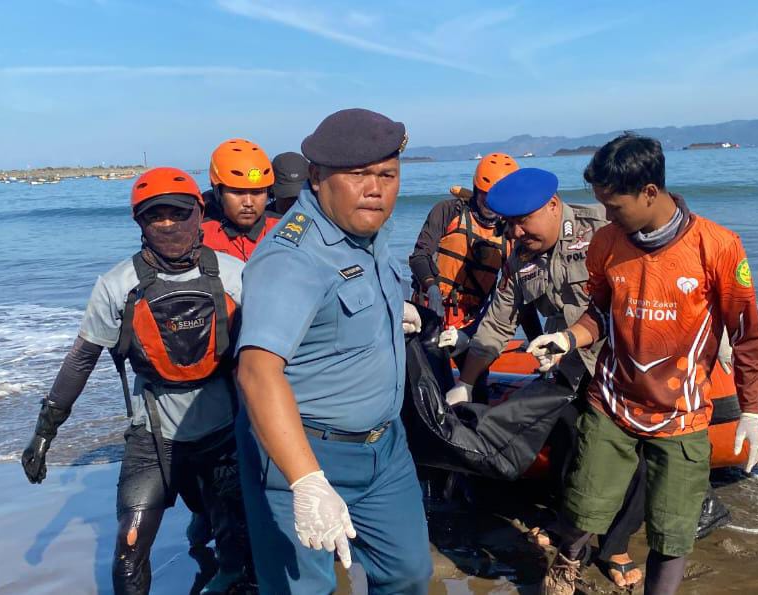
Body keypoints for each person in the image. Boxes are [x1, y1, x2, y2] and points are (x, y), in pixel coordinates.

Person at [529, 133, 758, 595]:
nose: (607, 215)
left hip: (682, 413)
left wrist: (753, 412)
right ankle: (565, 568)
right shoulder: (606, 243)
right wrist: (566, 338)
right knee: (583, 506)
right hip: (612, 403)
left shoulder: (718, 247)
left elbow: (746, 335)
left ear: (650, 193)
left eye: (614, 205)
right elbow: (599, 313)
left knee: (672, 533)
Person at [20, 168, 252, 595]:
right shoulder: (117, 286)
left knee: (239, 549)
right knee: (129, 550)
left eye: (178, 213)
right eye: (154, 215)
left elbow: (270, 357)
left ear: (199, 213)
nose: (167, 224)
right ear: (139, 222)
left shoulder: (236, 275)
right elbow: (81, 360)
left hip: (224, 433)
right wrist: (44, 431)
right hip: (153, 437)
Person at [232, 108, 432, 594]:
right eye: (359, 175)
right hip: (305, 454)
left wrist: (391, 312)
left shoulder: (368, 233)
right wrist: (307, 482)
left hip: (385, 448)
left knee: (409, 574)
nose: (375, 189)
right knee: (304, 590)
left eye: (387, 175)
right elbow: (257, 373)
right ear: (318, 178)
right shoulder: (292, 258)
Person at [444, 167, 647, 588]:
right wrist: (465, 383)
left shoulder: (602, 227)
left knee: (634, 454)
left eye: (523, 221)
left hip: (625, 362)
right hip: (570, 365)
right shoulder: (520, 259)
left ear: (553, 206)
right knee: (568, 439)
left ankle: (615, 545)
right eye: (509, 224)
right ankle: (568, 526)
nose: (516, 233)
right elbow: (496, 325)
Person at [409, 153, 542, 365]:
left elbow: (520, 296)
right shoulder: (448, 211)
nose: (489, 204)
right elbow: (419, 256)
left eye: (495, 198)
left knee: (476, 381)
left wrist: (538, 342)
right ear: (476, 189)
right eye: (483, 195)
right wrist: (431, 287)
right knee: (431, 378)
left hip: (469, 323)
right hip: (430, 314)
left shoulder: (511, 232)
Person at [202, 138, 281, 261]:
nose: (248, 203)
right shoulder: (199, 236)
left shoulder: (283, 229)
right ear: (218, 192)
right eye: (238, 192)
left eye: (257, 192)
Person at [268, 151, 309, 215]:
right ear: (271, 189)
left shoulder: (319, 217)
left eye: (298, 198)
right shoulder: (262, 218)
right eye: (287, 198)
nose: (293, 203)